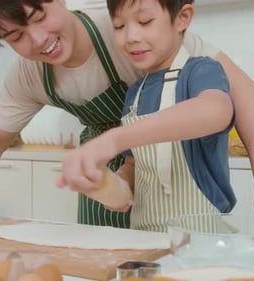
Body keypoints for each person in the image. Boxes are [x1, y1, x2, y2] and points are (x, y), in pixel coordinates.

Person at [0, 0, 254, 233]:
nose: (39, 39)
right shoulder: (29, 74)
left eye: (39, 17)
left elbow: (236, 98)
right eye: (16, 36)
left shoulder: (129, 28)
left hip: (186, 210)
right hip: (115, 180)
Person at [58, 0, 235, 232]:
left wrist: (114, 139)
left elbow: (216, 110)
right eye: (119, 26)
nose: (130, 36)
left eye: (144, 21)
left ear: (182, 18)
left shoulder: (201, 71)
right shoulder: (135, 93)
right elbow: (135, 164)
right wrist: (113, 184)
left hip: (200, 240)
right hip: (145, 238)